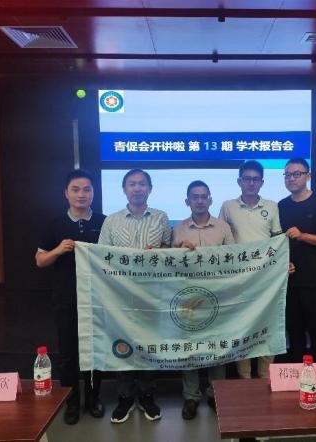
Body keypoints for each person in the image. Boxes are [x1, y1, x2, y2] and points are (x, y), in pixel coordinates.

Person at [98, 168, 172, 424]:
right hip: (120, 294)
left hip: (152, 293)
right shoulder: (112, 221)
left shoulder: (161, 217)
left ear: (149, 189)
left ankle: (147, 395)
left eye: (142, 184)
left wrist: (160, 252)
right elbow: (101, 255)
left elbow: (168, 250)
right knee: (123, 343)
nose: (137, 188)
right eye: (132, 184)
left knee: (149, 343)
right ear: (124, 189)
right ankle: (125, 397)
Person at [35, 169, 106, 425]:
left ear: (93, 193)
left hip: (98, 298)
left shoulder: (104, 221)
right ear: (66, 193)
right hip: (66, 297)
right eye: (76, 189)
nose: (81, 194)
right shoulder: (54, 224)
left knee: (95, 349)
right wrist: (58, 250)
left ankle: (93, 398)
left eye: (87, 189)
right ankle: (71, 400)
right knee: (68, 352)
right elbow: (40, 260)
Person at [172, 180, 235, 420]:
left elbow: (233, 259)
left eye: (204, 196)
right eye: (194, 197)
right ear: (187, 201)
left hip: (217, 295)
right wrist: (178, 248)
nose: (199, 200)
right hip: (187, 297)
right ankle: (191, 396)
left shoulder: (223, 227)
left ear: (210, 199)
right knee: (189, 347)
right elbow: (169, 263)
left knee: (216, 346)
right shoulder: (178, 229)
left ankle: (216, 393)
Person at [218, 160, 282, 379]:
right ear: (239, 181)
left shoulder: (271, 206)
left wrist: (284, 262)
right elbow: (221, 238)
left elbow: (277, 240)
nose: (251, 183)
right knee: (242, 327)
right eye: (247, 179)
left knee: (267, 326)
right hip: (239, 279)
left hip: (266, 278)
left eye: (255, 179)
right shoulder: (228, 206)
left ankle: (265, 378)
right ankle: (245, 381)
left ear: (262, 182)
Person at [278, 158, 316, 372]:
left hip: (315, 282)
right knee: (294, 334)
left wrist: (303, 236)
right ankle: (296, 379)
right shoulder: (281, 206)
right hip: (289, 282)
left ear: (308, 176)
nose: (291, 178)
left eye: (297, 174)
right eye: (287, 174)